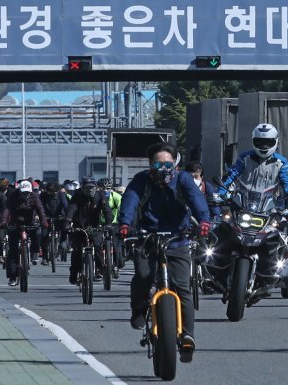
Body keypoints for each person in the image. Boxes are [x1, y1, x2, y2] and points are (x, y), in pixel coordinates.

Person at [118, 142, 211, 363]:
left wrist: (204, 221)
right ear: (150, 164)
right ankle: (139, 309)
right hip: (147, 238)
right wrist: (125, 223)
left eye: (167, 163)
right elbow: (130, 200)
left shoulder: (184, 179)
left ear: (175, 163)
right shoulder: (142, 180)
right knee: (143, 276)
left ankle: (187, 335)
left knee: (183, 288)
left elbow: (196, 200)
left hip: (177, 239)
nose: (163, 168)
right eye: (158, 164)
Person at [218, 123, 288, 203]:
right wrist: (220, 194)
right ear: (253, 140)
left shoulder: (281, 162)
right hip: (244, 203)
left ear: (275, 141)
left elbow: (286, 184)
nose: (264, 146)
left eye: (268, 142)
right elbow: (231, 176)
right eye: (260, 142)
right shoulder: (245, 158)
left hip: (270, 206)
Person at [0, 180, 48, 286]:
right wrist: (3, 222)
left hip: (30, 222)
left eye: (27, 192)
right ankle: (12, 277)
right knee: (12, 250)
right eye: (23, 192)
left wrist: (44, 221)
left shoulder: (34, 196)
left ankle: (35, 251)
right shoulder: (13, 196)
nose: (25, 194)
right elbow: (6, 209)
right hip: (15, 223)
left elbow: (40, 209)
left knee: (37, 233)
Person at [66, 176, 113, 284]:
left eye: (92, 188)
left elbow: (107, 210)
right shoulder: (77, 197)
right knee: (77, 249)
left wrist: (109, 223)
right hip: (79, 226)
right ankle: (74, 271)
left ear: (96, 187)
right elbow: (70, 210)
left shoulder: (100, 196)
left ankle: (99, 270)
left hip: (95, 226)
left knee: (98, 246)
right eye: (87, 188)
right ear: (82, 188)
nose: (90, 190)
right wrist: (67, 223)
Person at [98, 177, 125, 269]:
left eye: (108, 188)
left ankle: (116, 264)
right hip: (99, 223)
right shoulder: (96, 197)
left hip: (114, 223)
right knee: (97, 244)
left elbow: (123, 209)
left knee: (115, 243)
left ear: (111, 188)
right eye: (102, 188)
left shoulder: (116, 196)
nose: (105, 190)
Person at [40, 181, 68, 266]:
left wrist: (67, 215)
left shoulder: (60, 194)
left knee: (64, 228)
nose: (51, 193)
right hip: (47, 217)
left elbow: (65, 204)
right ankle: (45, 257)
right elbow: (39, 206)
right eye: (49, 192)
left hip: (59, 216)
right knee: (44, 236)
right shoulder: (43, 195)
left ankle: (62, 242)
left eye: (53, 192)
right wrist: (39, 216)